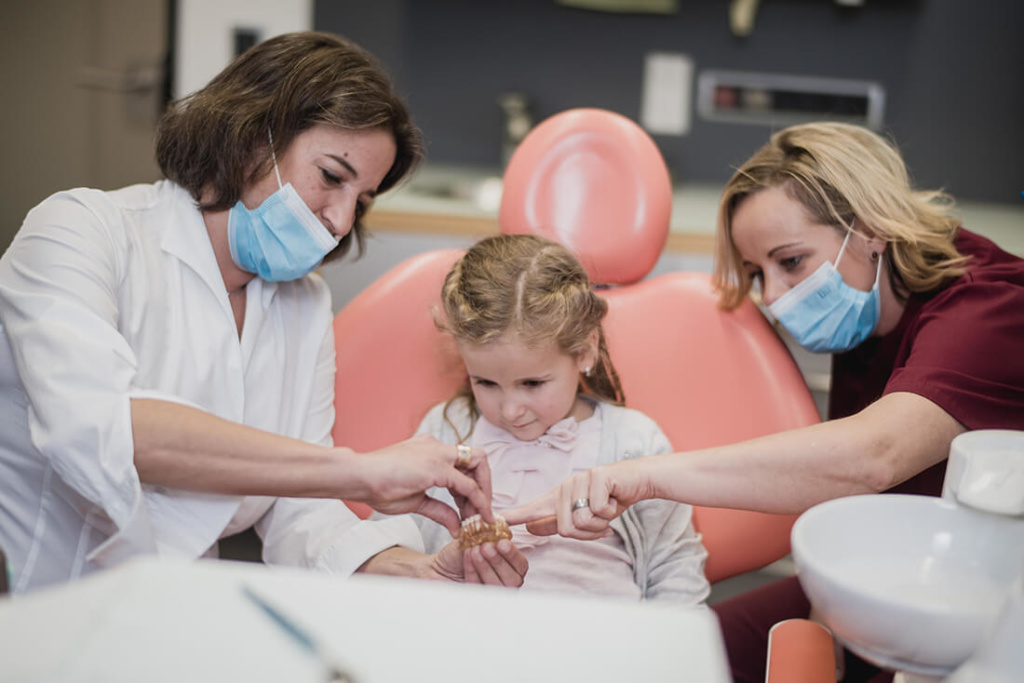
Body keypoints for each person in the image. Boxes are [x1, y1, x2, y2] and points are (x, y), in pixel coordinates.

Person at [0, 31, 526, 594]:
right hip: (38, 601)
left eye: (362, 201)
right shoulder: (81, 231)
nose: (341, 222)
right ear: (251, 135)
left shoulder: (304, 304)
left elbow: (297, 512)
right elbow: (106, 432)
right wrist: (362, 471)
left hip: (175, 608)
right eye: (331, 177)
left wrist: (417, 571)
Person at [503, 122, 1024, 681]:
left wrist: (644, 477)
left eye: (791, 261)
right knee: (661, 656)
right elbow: (850, 500)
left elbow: (875, 456)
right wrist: (825, 630)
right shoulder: (873, 307)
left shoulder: (990, 311)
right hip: (892, 573)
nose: (774, 297)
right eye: (756, 274)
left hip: (985, 605)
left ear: (871, 226)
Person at [410, 234, 709, 605]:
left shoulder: (635, 442)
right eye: (485, 382)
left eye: (532, 383)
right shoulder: (445, 428)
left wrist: (668, 650)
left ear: (584, 352)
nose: (510, 410)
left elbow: (675, 567)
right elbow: (392, 539)